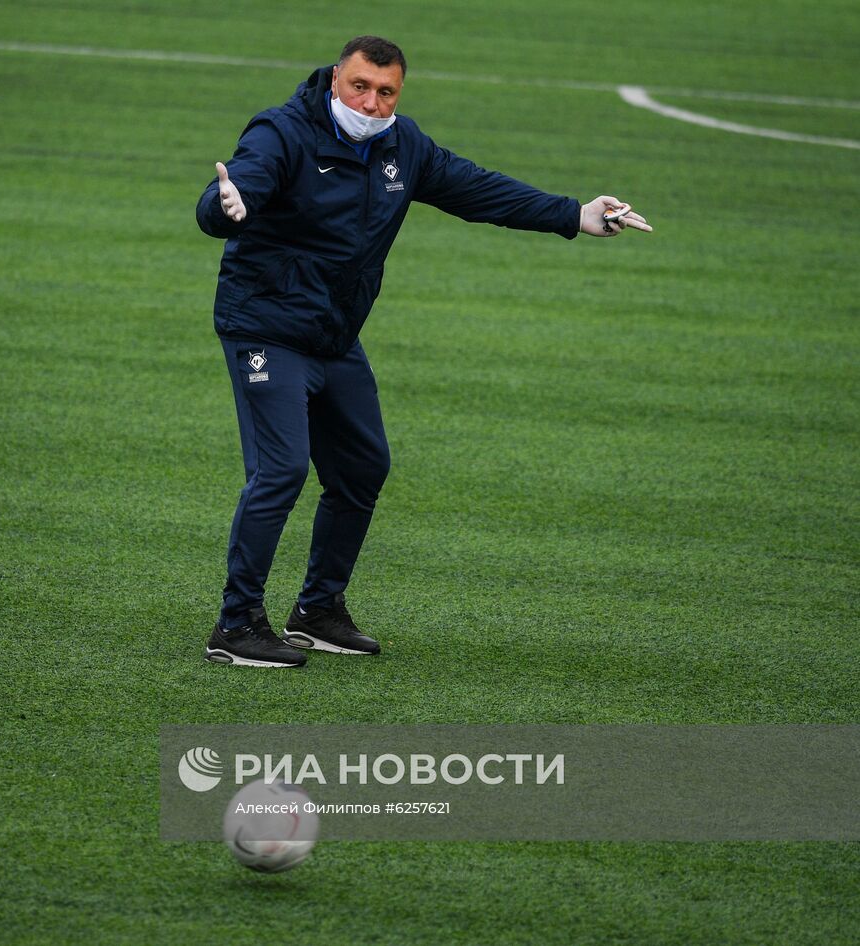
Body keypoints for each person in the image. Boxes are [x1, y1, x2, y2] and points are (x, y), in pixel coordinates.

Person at [196, 36, 651, 668]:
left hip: (332, 335)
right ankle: (236, 624)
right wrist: (226, 210)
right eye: (360, 87)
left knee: (362, 466)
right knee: (282, 470)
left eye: (386, 92)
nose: (372, 102)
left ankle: (318, 611)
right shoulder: (282, 133)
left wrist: (573, 214)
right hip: (266, 328)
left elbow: (477, 190)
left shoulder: (401, 145)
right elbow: (231, 193)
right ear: (335, 79)